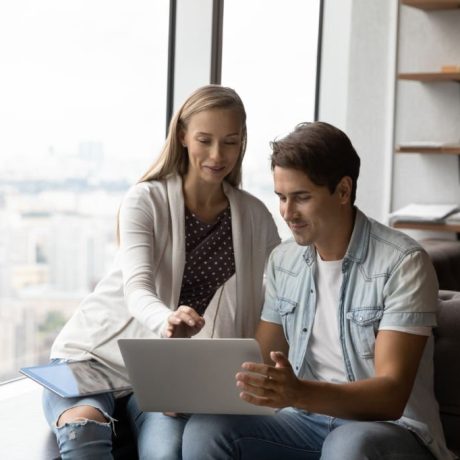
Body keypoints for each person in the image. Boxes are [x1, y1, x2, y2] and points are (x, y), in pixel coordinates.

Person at [182, 121, 455, 460]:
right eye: (281, 197)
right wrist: (193, 391)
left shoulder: (403, 262)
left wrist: (297, 393)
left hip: (392, 429)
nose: (287, 212)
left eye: (301, 198)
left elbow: (390, 396)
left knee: (348, 446)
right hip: (306, 421)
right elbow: (260, 363)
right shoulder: (284, 260)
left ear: (343, 190)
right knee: (206, 429)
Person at [42, 84, 281, 460]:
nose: (218, 155)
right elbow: (137, 289)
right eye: (205, 139)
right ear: (182, 135)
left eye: (230, 142)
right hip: (95, 358)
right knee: (83, 431)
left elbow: (286, 292)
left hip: (163, 374)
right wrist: (167, 319)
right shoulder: (145, 200)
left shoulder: (255, 217)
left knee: (168, 451)